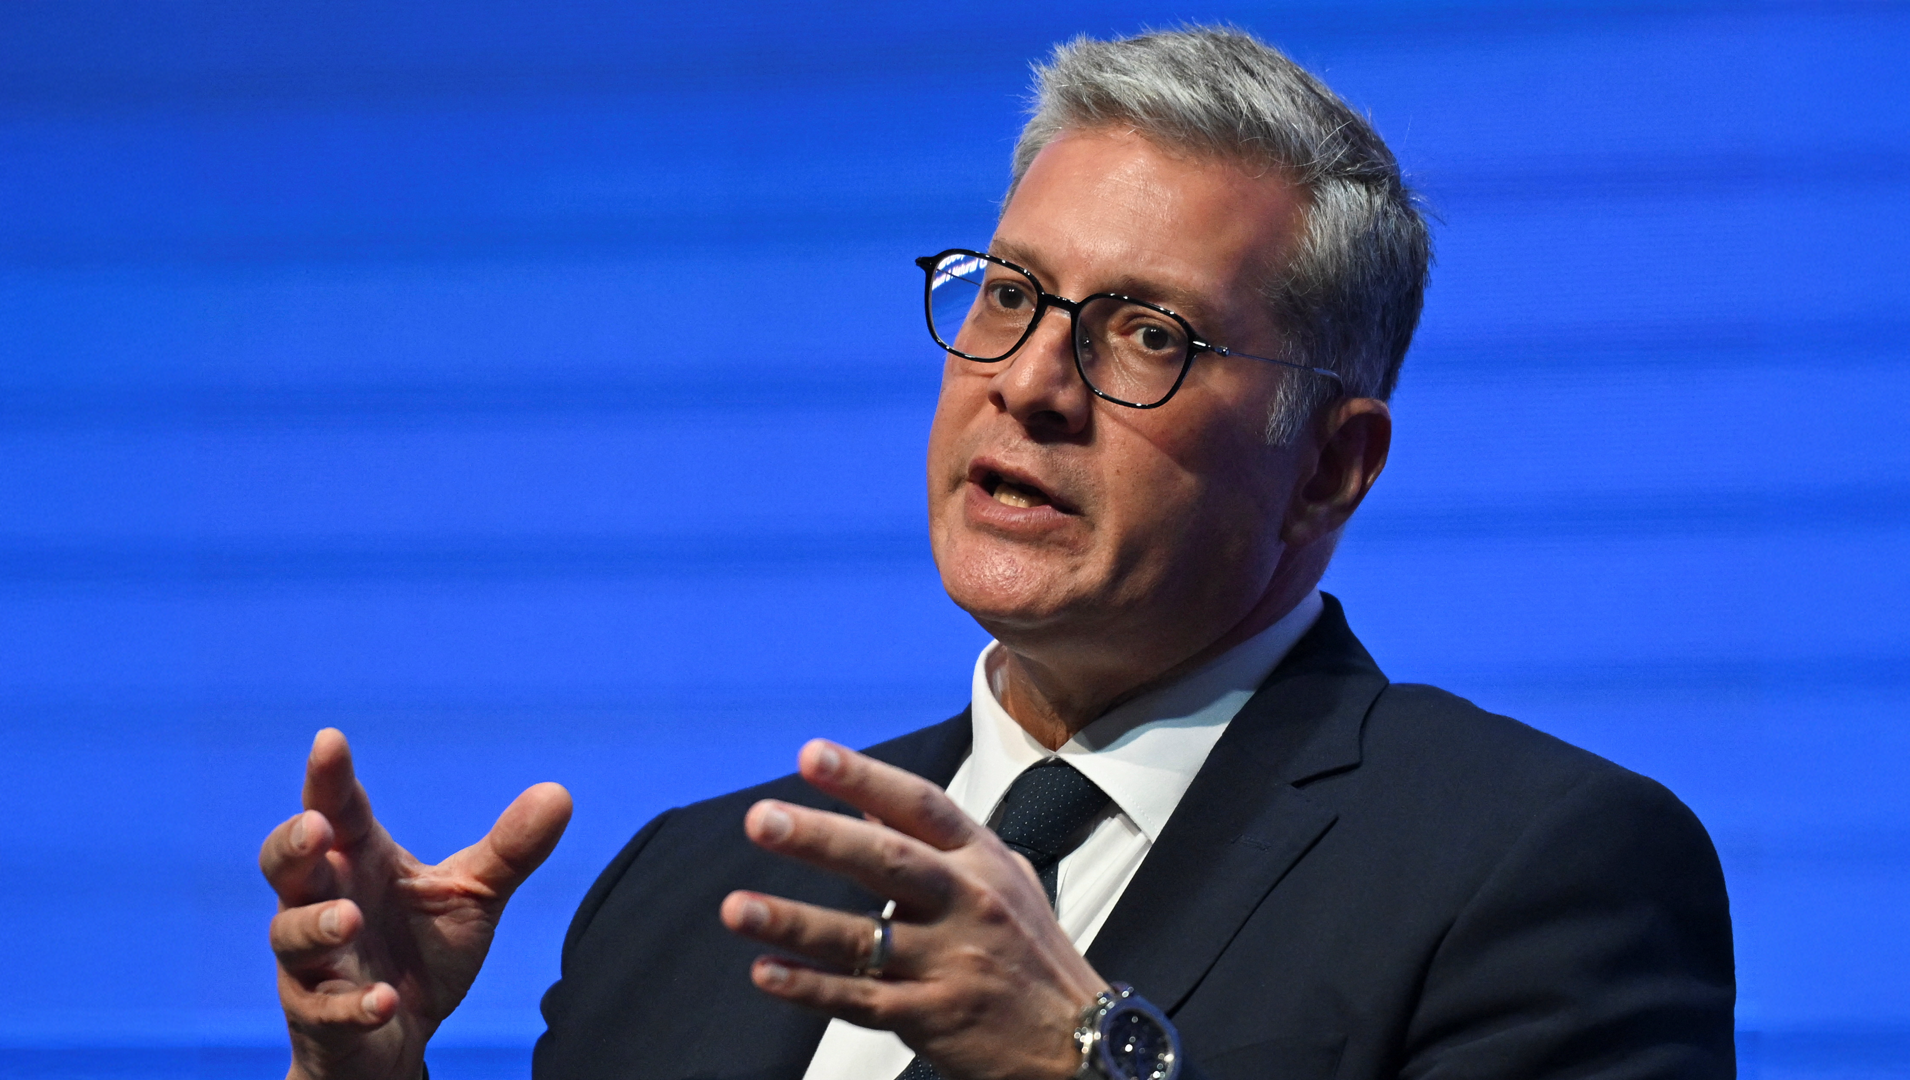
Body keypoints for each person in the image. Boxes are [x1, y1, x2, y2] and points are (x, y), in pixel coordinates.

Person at [258, 27, 1736, 1080]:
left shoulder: (1535, 867)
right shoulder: (687, 892)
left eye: (1148, 333)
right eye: (1010, 294)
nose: (1031, 379)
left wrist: (1084, 1065)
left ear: (1328, 469)